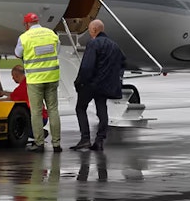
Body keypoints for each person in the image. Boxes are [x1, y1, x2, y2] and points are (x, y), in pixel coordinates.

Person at [71, 19, 125, 151]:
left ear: (94, 30)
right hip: (106, 85)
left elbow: (87, 66)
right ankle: (100, 139)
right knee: (102, 110)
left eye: (89, 30)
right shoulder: (114, 46)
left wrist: (79, 82)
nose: (89, 32)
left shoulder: (94, 44)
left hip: (92, 84)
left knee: (80, 108)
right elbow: (122, 63)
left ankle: (85, 139)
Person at [15, 12, 62, 153]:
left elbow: (18, 54)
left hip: (35, 80)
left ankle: (39, 143)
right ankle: (56, 144)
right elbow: (57, 50)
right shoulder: (51, 34)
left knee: (36, 112)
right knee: (53, 110)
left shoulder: (24, 37)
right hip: (52, 77)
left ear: (27, 24)